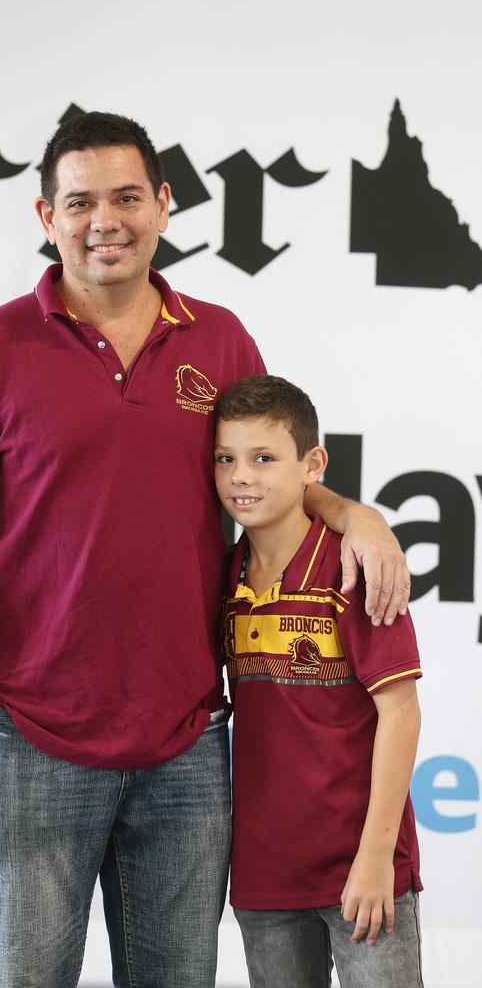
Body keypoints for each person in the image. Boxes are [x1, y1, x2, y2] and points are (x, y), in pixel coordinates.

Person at [0, 112, 411, 988]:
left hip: (188, 744)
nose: (108, 220)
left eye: (129, 196)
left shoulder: (218, 338)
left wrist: (353, 512)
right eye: (82, 201)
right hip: (30, 740)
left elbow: (272, 476)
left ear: (165, 205)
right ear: (46, 217)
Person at [214, 374, 423, 988]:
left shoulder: (356, 567)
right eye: (226, 459)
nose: (241, 477)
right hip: (264, 877)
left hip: (364, 868)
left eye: (263, 458)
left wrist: (376, 859)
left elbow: (401, 713)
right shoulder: (225, 574)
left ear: (313, 464)